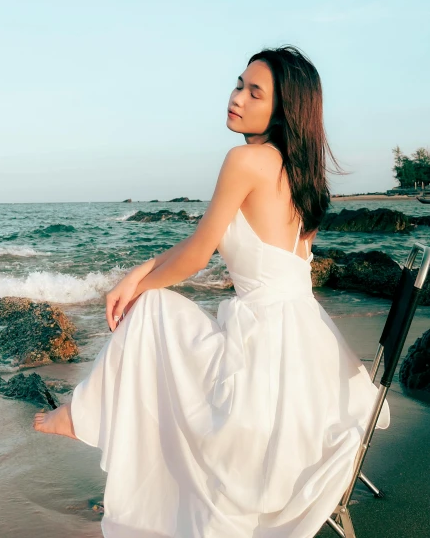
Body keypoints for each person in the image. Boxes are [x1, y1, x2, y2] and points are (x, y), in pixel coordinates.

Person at [33, 45, 390, 537]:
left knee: (155, 307)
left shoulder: (245, 159)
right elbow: (208, 236)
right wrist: (139, 270)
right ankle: (83, 411)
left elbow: (198, 257)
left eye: (254, 91)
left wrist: (139, 289)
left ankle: (81, 415)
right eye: (239, 83)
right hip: (305, 355)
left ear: (283, 110)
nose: (237, 96)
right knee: (151, 298)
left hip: (262, 359)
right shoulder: (302, 173)